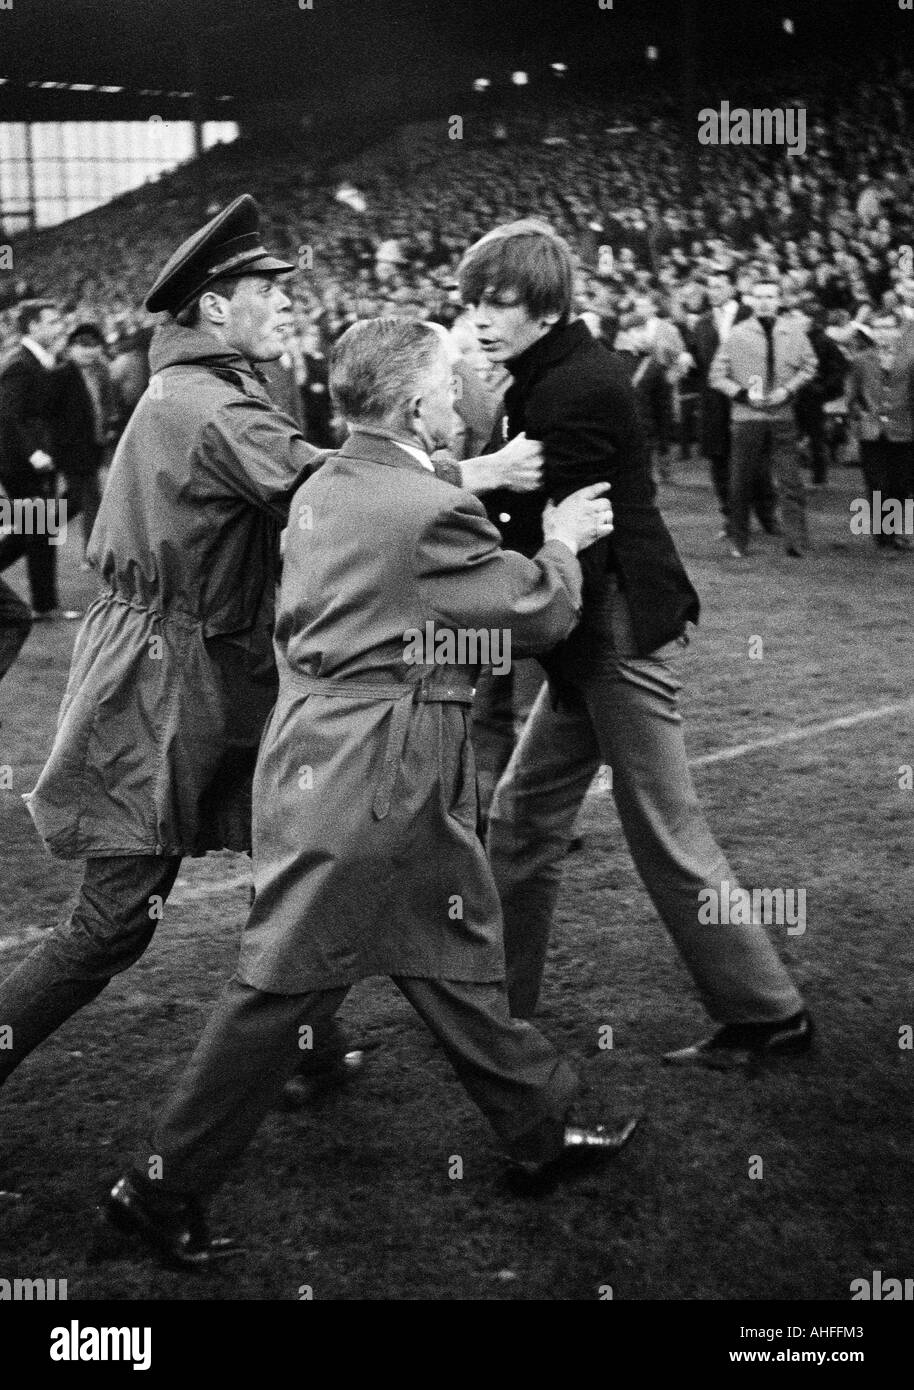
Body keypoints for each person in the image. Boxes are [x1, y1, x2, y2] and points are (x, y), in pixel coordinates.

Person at [99, 318, 638, 1268]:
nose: (466, 386)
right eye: (451, 376)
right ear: (418, 405)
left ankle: (540, 1132)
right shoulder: (427, 507)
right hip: (374, 775)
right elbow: (536, 612)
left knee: (450, 950)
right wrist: (561, 541)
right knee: (277, 988)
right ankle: (159, 1186)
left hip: (342, 758)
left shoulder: (330, 482)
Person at [0, 196, 559, 1101]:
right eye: (267, 287)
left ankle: (304, 1045)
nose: (287, 301)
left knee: (310, 853)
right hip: (162, 679)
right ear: (216, 306)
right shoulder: (211, 408)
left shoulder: (206, 390)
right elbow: (335, 495)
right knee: (114, 921)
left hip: (206, 666)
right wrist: (474, 470)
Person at [458, 220, 813, 1068]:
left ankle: (769, 1015)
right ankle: (496, 1016)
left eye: (497, 302)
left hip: (609, 626)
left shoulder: (568, 386)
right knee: (522, 818)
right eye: (471, 301)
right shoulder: (549, 373)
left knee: (663, 825)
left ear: (546, 305)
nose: (479, 317)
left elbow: (546, 531)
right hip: (593, 631)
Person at [709, 279, 817, 559]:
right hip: (747, 417)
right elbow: (716, 375)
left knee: (790, 482)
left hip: (783, 416)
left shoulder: (794, 332)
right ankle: (739, 541)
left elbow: (810, 365)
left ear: (780, 300)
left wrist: (788, 389)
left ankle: (796, 542)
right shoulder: (737, 334)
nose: (765, 301)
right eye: (759, 297)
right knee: (740, 481)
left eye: (771, 296)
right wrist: (743, 395)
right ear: (752, 301)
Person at [0, 299, 77, 621]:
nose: (61, 326)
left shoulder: (35, 360)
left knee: (34, 527)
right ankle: (45, 605)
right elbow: (7, 414)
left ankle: (45, 604)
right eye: (53, 321)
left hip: (31, 458)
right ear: (33, 326)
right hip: (21, 460)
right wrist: (33, 452)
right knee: (41, 528)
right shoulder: (20, 363)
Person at [692, 269, 777, 541]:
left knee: (757, 462)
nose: (712, 291)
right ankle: (731, 518)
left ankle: (768, 517)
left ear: (731, 288)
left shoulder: (750, 315)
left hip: (748, 397)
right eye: (710, 287)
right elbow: (700, 364)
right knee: (719, 462)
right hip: (713, 405)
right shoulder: (703, 323)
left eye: (718, 286)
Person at [847, 311, 914, 552]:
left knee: (900, 485)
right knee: (877, 484)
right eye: (878, 328)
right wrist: (860, 415)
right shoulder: (862, 360)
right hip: (872, 432)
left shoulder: (910, 358)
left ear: (898, 331)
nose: (883, 333)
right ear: (872, 332)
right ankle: (883, 536)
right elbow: (852, 396)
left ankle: (894, 530)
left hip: (903, 430)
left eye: (888, 327)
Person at [55, 322, 119, 564]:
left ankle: (37, 526)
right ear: (72, 347)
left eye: (93, 345)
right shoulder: (61, 373)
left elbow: (108, 403)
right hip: (71, 446)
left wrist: (110, 424)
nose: (88, 350)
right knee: (90, 496)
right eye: (83, 345)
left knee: (77, 496)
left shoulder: (102, 372)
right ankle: (90, 554)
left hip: (95, 442)